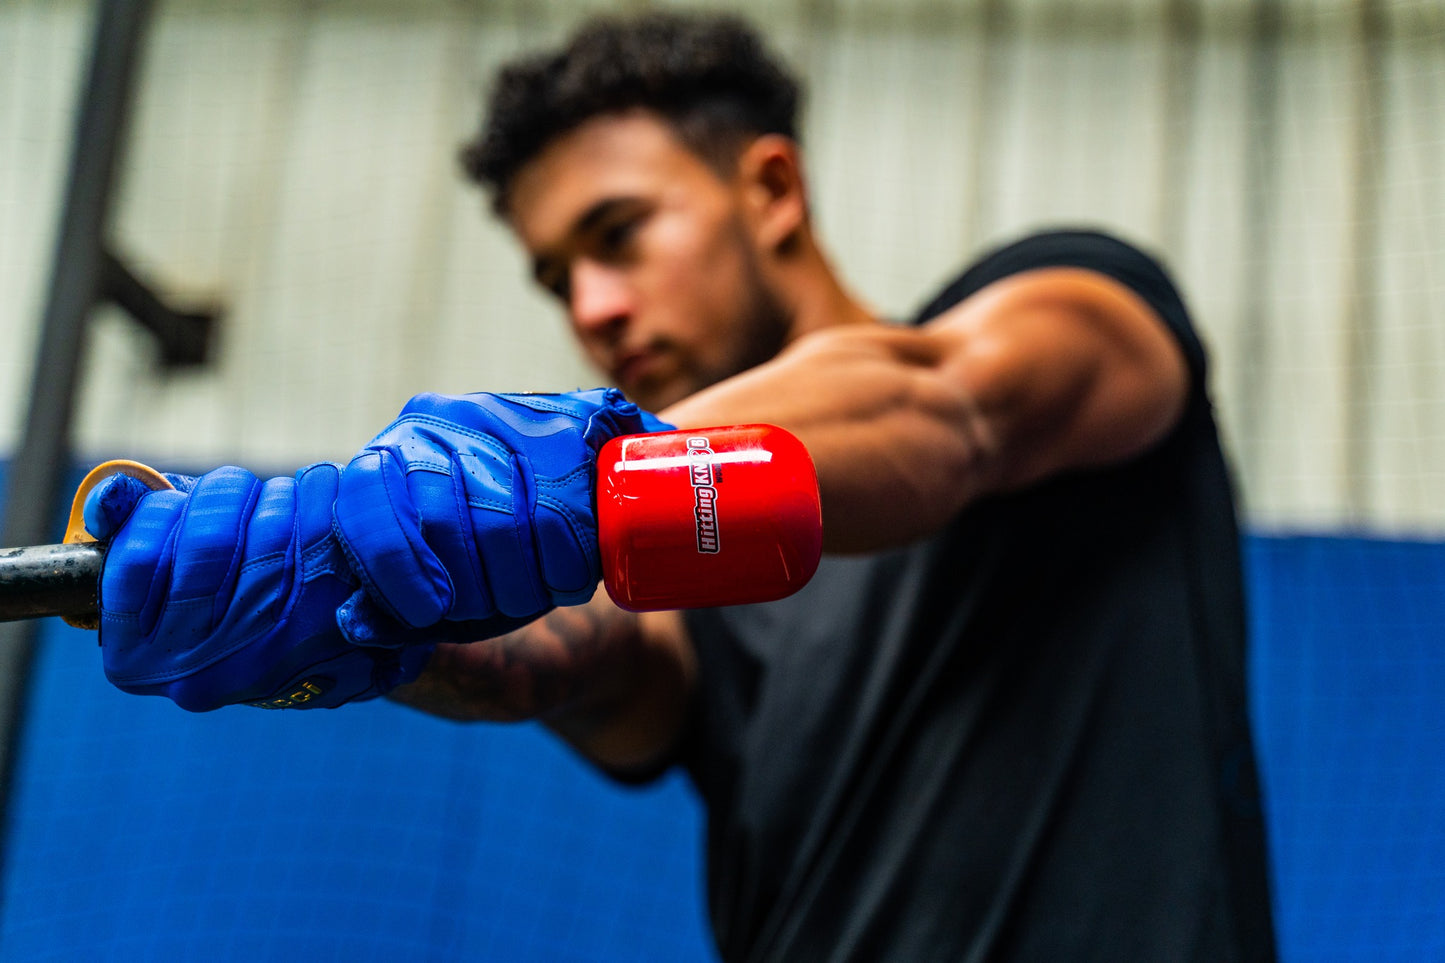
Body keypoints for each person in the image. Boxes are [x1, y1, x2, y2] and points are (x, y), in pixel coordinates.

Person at [85, 11, 1277, 961]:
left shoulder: (1056, 311)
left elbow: (942, 407)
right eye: (556, 279)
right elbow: (574, 658)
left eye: (619, 235)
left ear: (768, 193)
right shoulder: (651, 564)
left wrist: (596, 468)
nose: (591, 308)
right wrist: (367, 608)